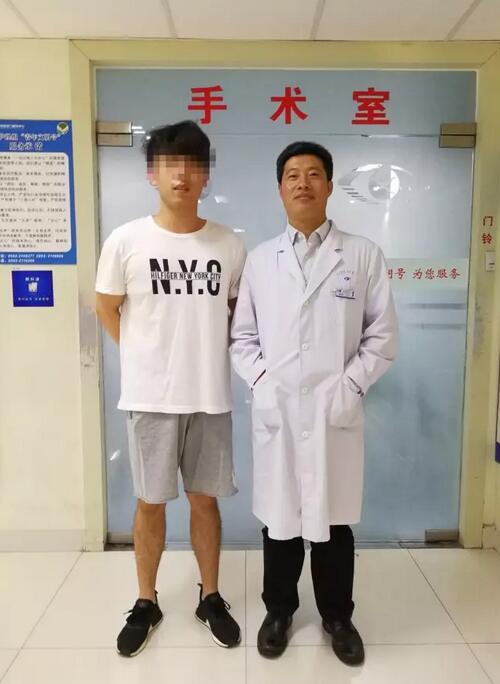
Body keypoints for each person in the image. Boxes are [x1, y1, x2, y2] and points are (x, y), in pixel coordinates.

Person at [230, 141, 398, 666]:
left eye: (313, 174)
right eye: (292, 175)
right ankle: (278, 612)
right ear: (280, 189)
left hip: (333, 410)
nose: (302, 183)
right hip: (278, 411)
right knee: (280, 521)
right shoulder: (261, 260)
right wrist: (263, 384)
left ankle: (337, 617)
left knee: (334, 523)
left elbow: (382, 337)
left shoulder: (363, 255)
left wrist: (349, 388)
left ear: (328, 186)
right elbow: (242, 339)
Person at [95, 120, 245, 657]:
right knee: (150, 503)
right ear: (151, 174)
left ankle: (210, 596)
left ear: (206, 175)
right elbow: (107, 307)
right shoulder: (126, 240)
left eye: (193, 164)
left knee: (205, 501)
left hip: (209, 396)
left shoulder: (229, 244)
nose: (182, 174)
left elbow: (237, 314)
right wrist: (141, 354)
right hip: (150, 398)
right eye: (169, 164)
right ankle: (145, 601)